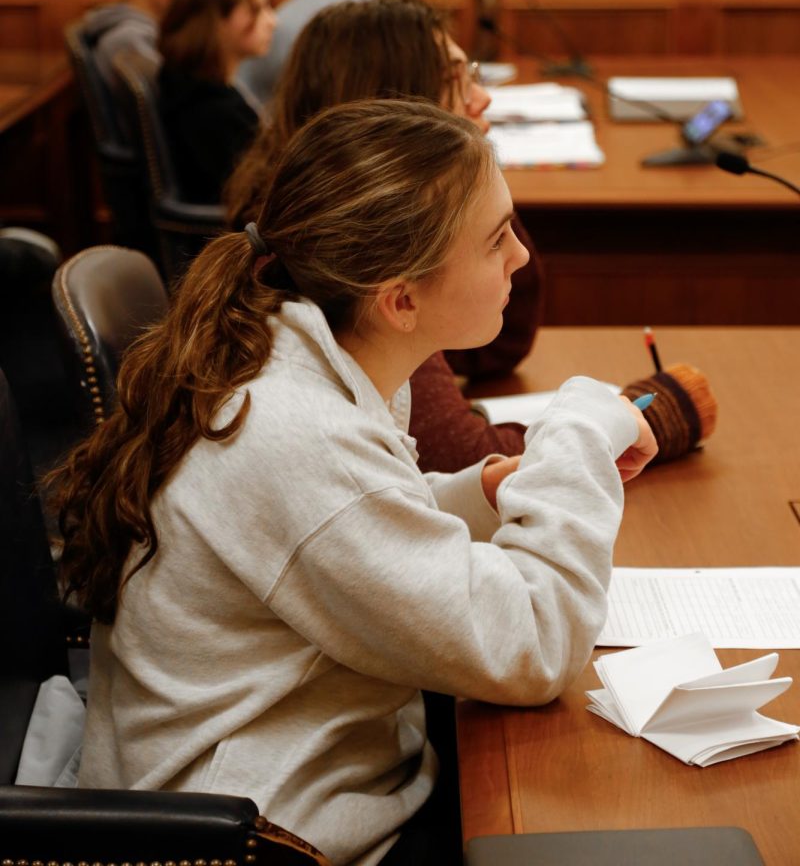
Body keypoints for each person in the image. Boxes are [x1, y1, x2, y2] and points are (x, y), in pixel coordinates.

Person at [49, 99, 657, 866]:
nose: (521, 259)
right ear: (400, 299)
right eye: (497, 238)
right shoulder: (296, 430)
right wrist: (575, 436)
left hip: (292, 789)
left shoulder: (289, 358)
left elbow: (332, 536)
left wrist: (483, 494)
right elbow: (534, 649)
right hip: (262, 840)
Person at [224, 0, 545, 471]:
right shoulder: (334, 252)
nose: (482, 98)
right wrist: (615, 428)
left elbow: (499, 348)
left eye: (471, 73)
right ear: (397, 104)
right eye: (454, 82)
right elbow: (460, 456)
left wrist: (469, 186)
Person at [158, 0, 276, 204]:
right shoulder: (211, 111)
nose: (272, 21)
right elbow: (255, 199)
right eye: (258, 9)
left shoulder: (188, 82)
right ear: (217, 22)